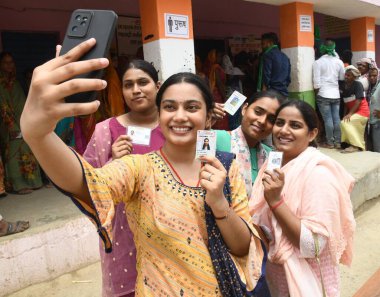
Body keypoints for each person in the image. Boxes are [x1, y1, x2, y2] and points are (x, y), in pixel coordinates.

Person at [20, 39, 264, 297]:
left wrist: (218, 204)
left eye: (192, 107)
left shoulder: (224, 167)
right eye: (170, 107)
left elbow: (242, 248)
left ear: (207, 116)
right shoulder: (139, 168)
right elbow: (86, 183)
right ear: (160, 115)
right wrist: (39, 135)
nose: (180, 116)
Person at [249, 99, 356, 297]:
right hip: (277, 278)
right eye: (280, 123)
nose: (284, 130)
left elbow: (312, 246)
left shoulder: (318, 174)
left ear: (312, 133)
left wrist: (276, 202)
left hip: (307, 281)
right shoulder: (273, 164)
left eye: (295, 125)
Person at [83, 60, 164, 297]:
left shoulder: (175, 125)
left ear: (157, 86)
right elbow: (86, 184)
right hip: (123, 236)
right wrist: (113, 162)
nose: (136, 90)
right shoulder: (106, 131)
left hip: (169, 232)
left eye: (143, 82)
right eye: (128, 85)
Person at [216, 90, 285, 198]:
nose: (262, 121)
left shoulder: (270, 155)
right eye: (258, 112)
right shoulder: (216, 138)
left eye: (271, 119)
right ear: (244, 109)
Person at [0, 52, 43, 194]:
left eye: (11, 62)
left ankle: (33, 181)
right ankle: (18, 185)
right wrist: (12, 126)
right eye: (5, 62)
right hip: (8, 125)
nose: (9, 65)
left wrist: (25, 123)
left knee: (26, 150)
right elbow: (3, 107)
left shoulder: (16, 82)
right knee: (13, 153)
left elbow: (23, 104)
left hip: (22, 123)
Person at [313, 40, 345, 149]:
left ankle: (330, 143)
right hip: (335, 94)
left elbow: (316, 83)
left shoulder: (318, 62)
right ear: (334, 48)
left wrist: (317, 95)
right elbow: (341, 77)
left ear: (323, 48)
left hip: (323, 93)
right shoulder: (339, 62)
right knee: (336, 118)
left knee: (328, 119)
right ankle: (337, 142)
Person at [340, 66, 370, 153]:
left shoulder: (358, 85)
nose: (346, 76)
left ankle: (355, 146)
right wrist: (345, 114)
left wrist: (349, 114)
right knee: (345, 122)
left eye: (349, 75)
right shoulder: (344, 86)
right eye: (346, 75)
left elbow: (358, 101)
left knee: (344, 123)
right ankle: (350, 144)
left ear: (354, 77)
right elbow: (346, 103)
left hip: (363, 112)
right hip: (353, 112)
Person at [257, 33, 291, 97]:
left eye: (263, 44)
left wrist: (265, 89)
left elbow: (266, 75)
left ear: (270, 43)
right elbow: (288, 78)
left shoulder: (267, 55)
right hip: (284, 92)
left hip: (271, 92)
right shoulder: (285, 56)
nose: (262, 46)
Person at [203, 49, 229, 129]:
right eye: (219, 56)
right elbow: (220, 84)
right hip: (217, 94)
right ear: (214, 57)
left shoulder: (207, 67)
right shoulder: (216, 68)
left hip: (211, 92)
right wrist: (225, 97)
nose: (220, 58)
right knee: (221, 114)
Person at [368, 67, 380, 152]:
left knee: (377, 148)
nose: (372, 77)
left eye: (374, 75)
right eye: (370, 76)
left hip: (378, 121)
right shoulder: (370, 87)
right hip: (372, 121)